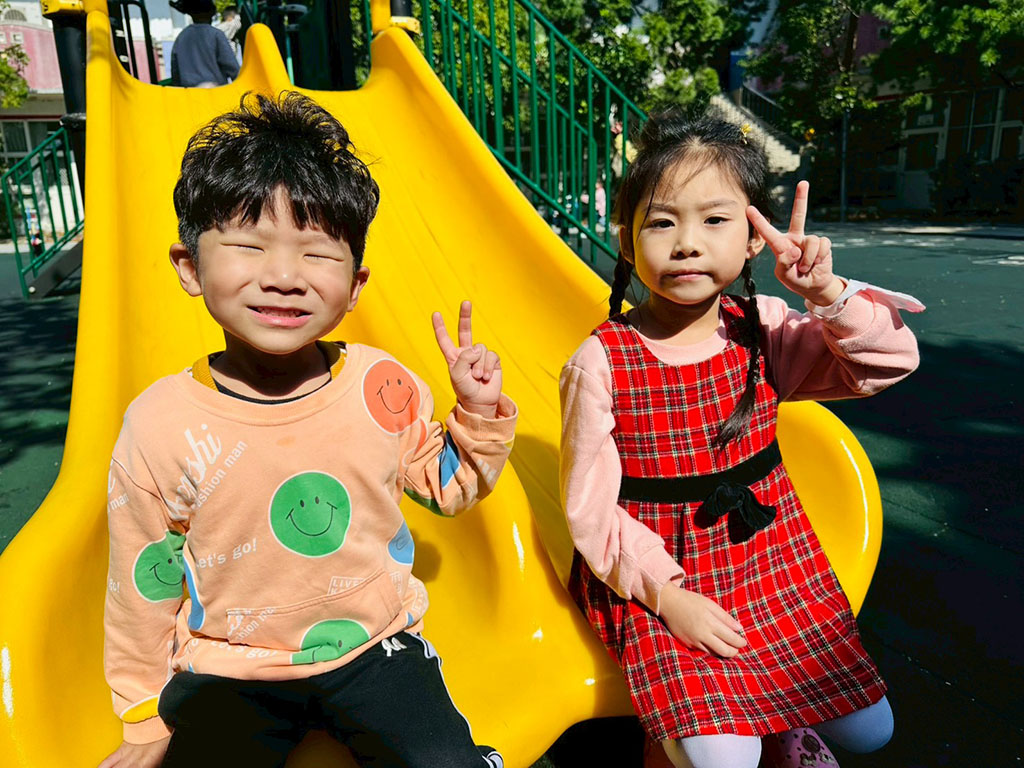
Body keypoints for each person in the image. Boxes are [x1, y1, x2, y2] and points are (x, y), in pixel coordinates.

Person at [99, 91, 516, 768]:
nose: (285, 277)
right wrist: (143, 720)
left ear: (355, 284)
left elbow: (450, 489)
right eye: (248, 246)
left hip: (375, 647)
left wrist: (474, 413)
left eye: (318, 254)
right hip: (231, 667)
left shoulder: (382, 385)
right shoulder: (159, 424)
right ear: (190, 267)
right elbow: (142, 583)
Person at [559, 112, 924, 768]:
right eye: (661, 222)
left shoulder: (763, 329)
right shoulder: (601, 361)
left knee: (873, 731)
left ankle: (780, 726)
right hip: (658, 565)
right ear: (625, 241)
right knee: (720, 760)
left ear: (754, 238)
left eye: (715, 219)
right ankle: (674, 736)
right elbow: (590, 511)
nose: (687, 243)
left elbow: (887, 364)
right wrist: (669, 598)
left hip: (766, 556)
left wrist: (829, 294)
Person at [170, 0, 239, 88]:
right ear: (211, 13)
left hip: (190, 93)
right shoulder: (216, 35)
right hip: (215, 92)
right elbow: (232, 67)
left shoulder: (181, 37)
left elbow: (175, 74)